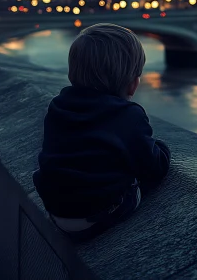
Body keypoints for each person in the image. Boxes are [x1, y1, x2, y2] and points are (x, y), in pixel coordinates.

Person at [33, 23, 171, 241]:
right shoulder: (129, 115)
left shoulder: (58, 106)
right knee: (135, 183)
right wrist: (162, 148)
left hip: (58, 213)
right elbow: (154, 167)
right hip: (96, 216)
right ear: (133, 84)